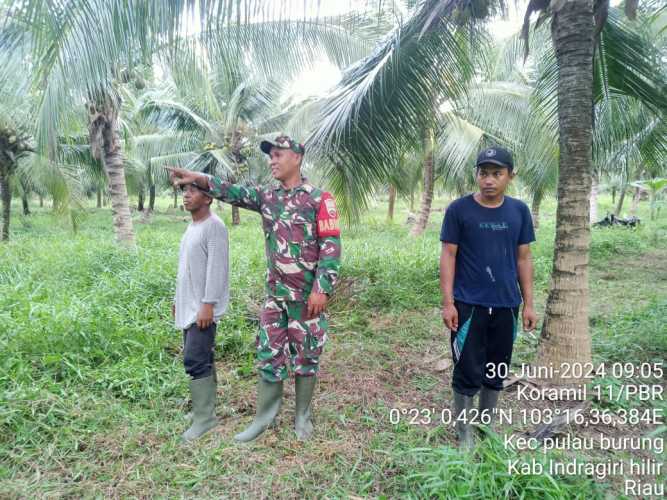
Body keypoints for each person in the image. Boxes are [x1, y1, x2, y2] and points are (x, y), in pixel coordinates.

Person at [168, 134, 341, 442]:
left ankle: (302, 417)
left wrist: (322, 289)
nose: (272, 160)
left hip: (306, 298)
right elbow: (232, 191)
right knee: (269, 354)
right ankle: (264, 418)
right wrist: (200, 179)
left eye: (278, 154)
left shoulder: (319, 199)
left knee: (306, 355)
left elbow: (330, 246)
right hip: (275, 297)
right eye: (270, 155)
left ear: (297, 158)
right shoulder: (268, 197)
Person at [439, 146, 537, 449]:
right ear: (476, 175)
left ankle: (485, 426)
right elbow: (448, 255)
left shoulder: (519, 211)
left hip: (507, 304)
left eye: (497, 173)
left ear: (510, 176)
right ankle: (464, 434)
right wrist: (448, 302)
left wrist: (529, 303)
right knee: (467, 368)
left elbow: (524, 258)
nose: (489, 180)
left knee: (497, 369)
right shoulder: (459, 210)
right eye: (484, 173)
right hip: (468, 305)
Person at [174, 182, 230, 442]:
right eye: (184, 190)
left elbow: (216, 269)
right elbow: (186, 268)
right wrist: (178, 299)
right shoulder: (192, 227)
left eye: (193, 191)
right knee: (201, 356)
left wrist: (208, 304)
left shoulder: (214, 227)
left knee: (195, 360)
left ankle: (205, 418)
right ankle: (203, 409)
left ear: (208, 197)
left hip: (202, 307)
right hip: (190, 304)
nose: (186, 195)